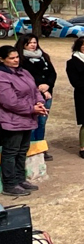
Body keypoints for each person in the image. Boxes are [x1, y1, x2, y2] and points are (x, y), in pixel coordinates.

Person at [0, 45, 47, 196]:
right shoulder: (2, 76)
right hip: (12, 120)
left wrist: (39, 103)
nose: (15, 60)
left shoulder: (24, 72)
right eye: (11, 58)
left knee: (22, 151)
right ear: (2, 60)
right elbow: (9, 101)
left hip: (28, 118)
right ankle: (10, 184)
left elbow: (35, 90)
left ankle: (21, 179)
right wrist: (32, 108)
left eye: (17, 57)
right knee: (11, 152)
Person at [17, 35, 56, 162]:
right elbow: (25, 78)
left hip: (47, 93)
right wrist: (39, 87)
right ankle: (29, 148)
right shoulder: (20, 59)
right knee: (32, 123)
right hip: (31, 95)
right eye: (29, 43)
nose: (33, 45)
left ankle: (40, 148)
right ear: (23, 45)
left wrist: (47, 86)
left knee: (42, 122)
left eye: (35, 42)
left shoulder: (43, 57)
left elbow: (52, 73)